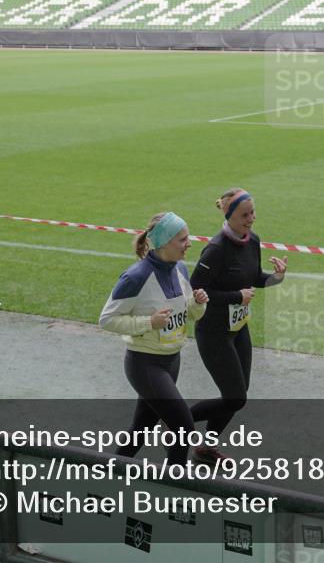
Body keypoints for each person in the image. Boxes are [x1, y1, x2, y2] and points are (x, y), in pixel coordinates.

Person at [99, 212, 208, 465]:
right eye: (182, 240)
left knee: (141, 429)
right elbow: (106, 319)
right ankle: (174, 490)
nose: (189, 243)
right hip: (145, 364)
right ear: (164, 242)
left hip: (171, 361)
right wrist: (149, 322)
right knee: (183, 427)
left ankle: (105, 478)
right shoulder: (135, 277)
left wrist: (198, 303)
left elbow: (189, 313)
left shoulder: (180, 268)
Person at [189, 188, 288, 463]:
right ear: (230, 216)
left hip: (238, 329)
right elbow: (196, 288)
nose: (251, 219)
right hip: (213, 332)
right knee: (235, 398)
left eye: (253, 213)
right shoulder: (216, 249)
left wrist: (276, 278)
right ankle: (177, 421)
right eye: (245, 215)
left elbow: (254, 277)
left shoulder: (252, 240)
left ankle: (205, 448)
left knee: (237, 394)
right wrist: (236, 296)